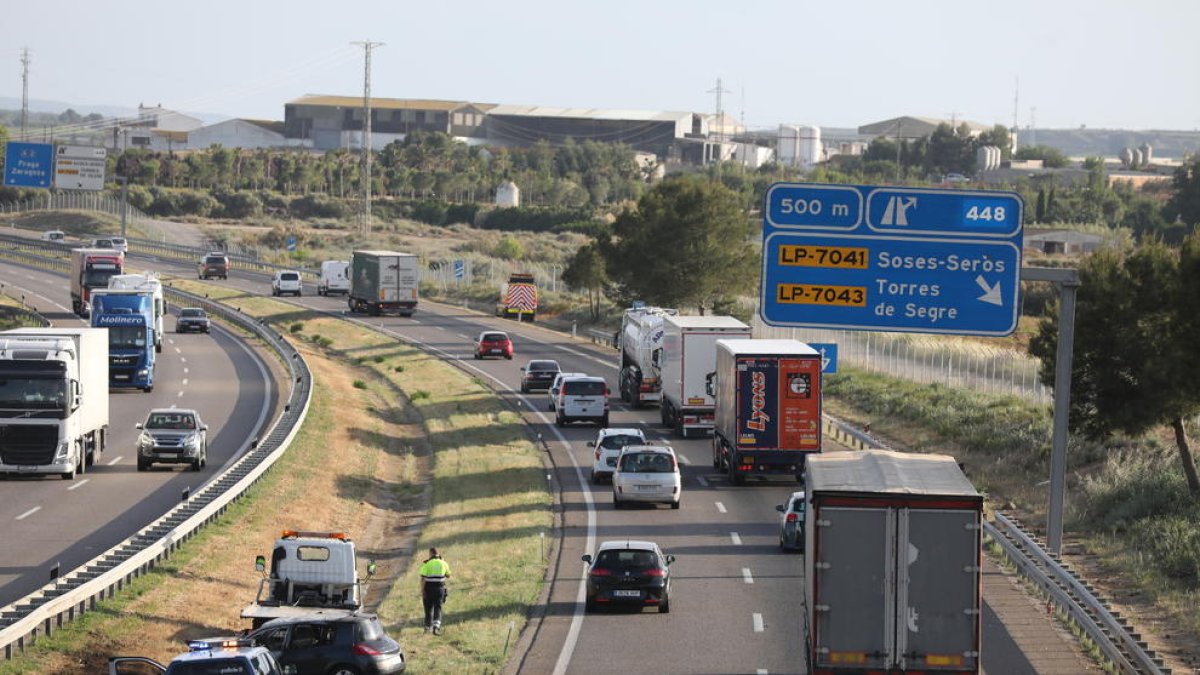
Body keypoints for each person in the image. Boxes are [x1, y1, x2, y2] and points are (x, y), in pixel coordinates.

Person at [419, 547, 451, 634]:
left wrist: (422, 591)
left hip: (428, 589)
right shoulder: (444, 563)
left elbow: (423, 579)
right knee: (438, 607)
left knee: (428, 609)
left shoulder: (427, 564)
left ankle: (427, 628)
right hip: (439, 588)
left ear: (430, 554)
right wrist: (443, 562)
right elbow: (448, 575)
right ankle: (436, 627)